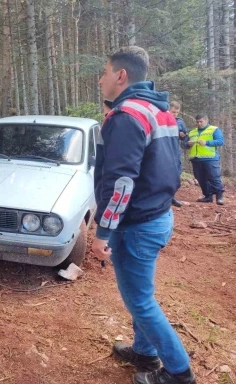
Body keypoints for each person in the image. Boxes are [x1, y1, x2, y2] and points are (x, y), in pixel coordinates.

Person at [93, 46, 196, 384]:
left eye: (105, 72)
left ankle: (179, 373)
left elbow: (121, 183)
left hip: (136, 225)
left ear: (120, 75)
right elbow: (171, 166)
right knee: (142, 295)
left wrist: (103, 232)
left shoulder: (127, 117)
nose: (101, 79)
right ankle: (144, 352)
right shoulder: (158, 111)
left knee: (140, 301)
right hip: (156, 216)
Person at [184, 113, 225, 205]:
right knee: (201, 178)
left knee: (214, 177)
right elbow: (185, 144)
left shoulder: (214, 130)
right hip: (196, 159)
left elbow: (220, 141)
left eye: (201, 121)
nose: (199, 123)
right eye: (197, 122)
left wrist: (207, 142)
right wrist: (188, 144)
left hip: (210, 158)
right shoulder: (192, 132)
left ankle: (219, 197)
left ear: (206, 120)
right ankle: (207, 196)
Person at [169, 101, 187, 207]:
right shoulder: (161, 118)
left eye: (177, 112)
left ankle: (172, 196)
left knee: (177, 172)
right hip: (164, 149)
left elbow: (184, 136)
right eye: (173, 112)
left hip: (176, 149)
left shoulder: (180, 121)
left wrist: (183, 135)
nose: (175, 114)